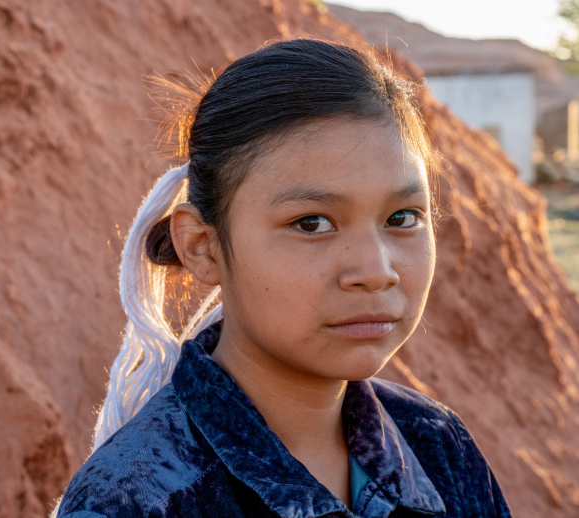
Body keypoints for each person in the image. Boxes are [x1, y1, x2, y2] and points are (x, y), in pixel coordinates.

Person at [54, 39, 511, 518]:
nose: (376, 272)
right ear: (202, 246)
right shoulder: (136, 501)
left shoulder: (438, 446)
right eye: (311, 223)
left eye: (402, 218)